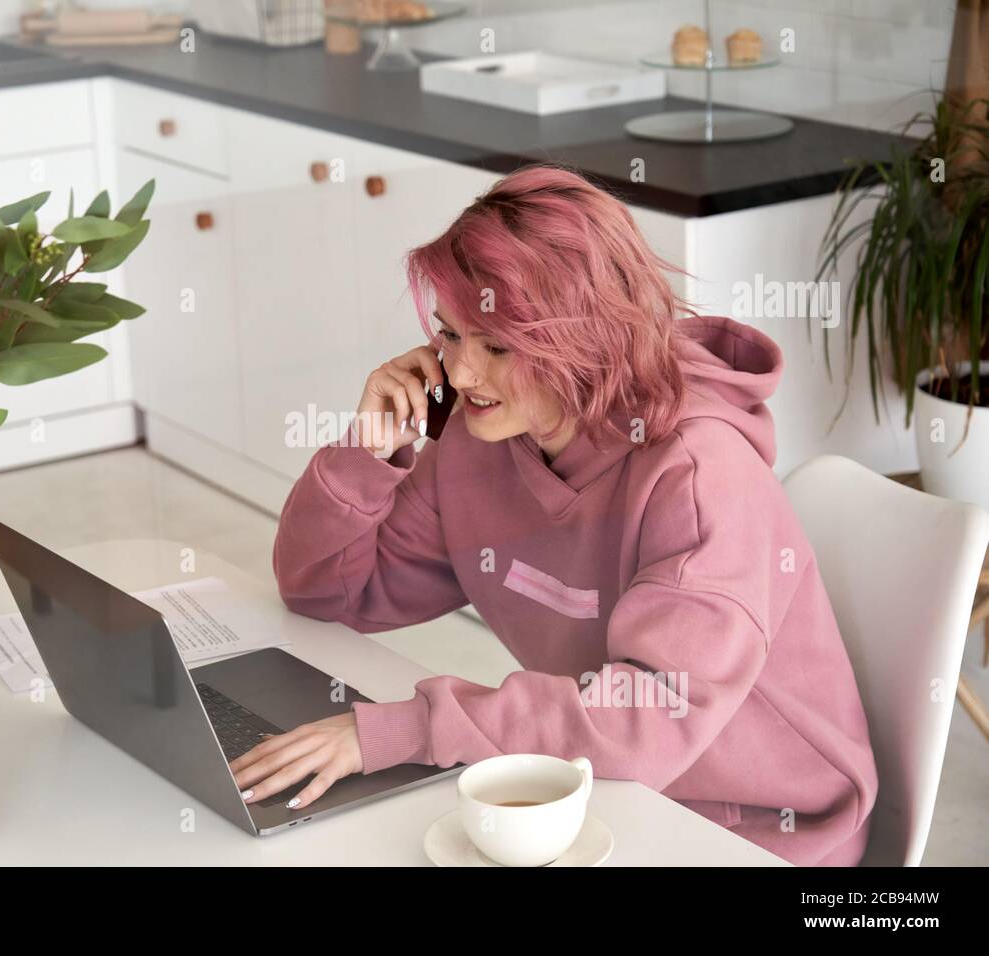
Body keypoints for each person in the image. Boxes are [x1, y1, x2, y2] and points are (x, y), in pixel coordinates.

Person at [231, 164, 878, 866]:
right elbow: (326, 592)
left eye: (498, 347)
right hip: (602, 788)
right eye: (450, 335)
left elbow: (644, 720)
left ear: (588, 337)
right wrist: (367, 452)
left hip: (761, 829)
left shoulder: (699, 476)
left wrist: (409, 730)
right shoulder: (479, 440)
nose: (463, 374)